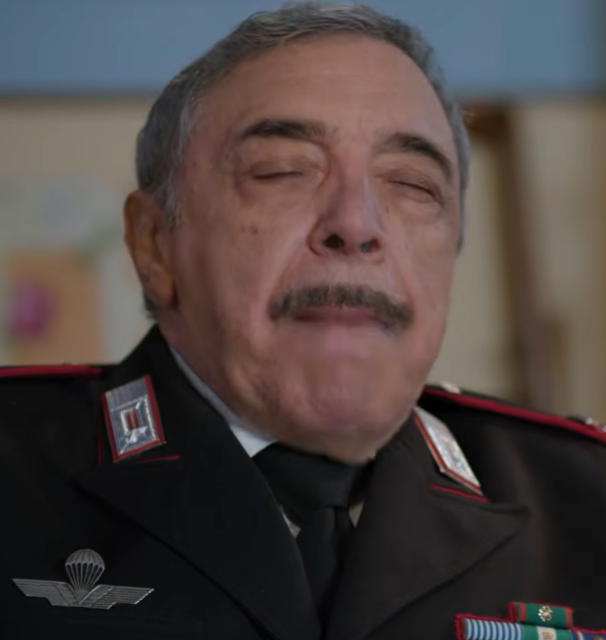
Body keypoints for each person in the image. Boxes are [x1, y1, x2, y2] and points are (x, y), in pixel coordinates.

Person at [1, 3, 606, 639]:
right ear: (155, 245)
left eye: (412, 183)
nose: (357, 223)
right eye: (282, 171)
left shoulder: (586, 500)